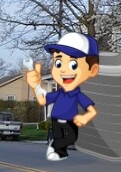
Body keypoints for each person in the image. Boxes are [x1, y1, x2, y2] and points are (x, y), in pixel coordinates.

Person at [26, 32, 100, 161]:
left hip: (70, 120)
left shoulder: (78, 94)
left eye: (73, 64)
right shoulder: (58, 93)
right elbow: (43, 100)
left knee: (72, 137)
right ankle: (60, 152)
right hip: (56, 119)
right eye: (58, 63)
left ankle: (54, 147)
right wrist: (35, 87)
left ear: (92, 70)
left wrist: (85, 117)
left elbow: (91, 110)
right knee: (60, 137)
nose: (64, 70)